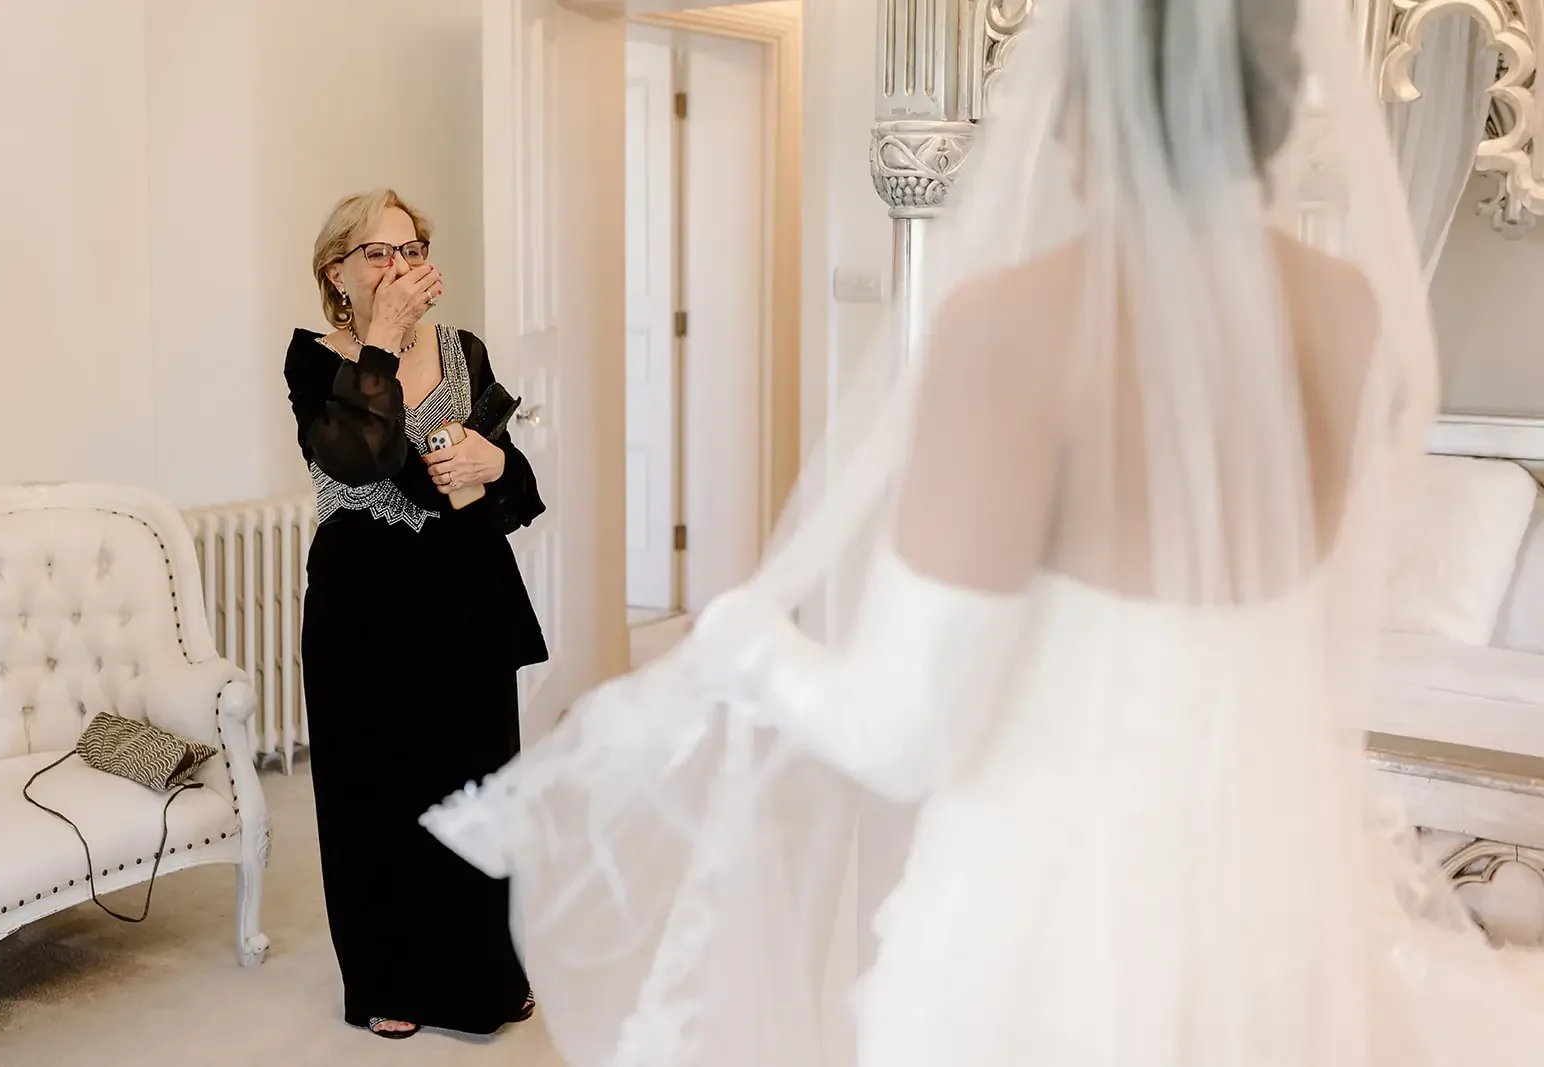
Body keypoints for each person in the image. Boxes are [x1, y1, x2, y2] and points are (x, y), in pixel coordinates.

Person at [424, 2, 1544, 1065]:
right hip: (1268, 897)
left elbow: (900, 732)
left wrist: (737, 636)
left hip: (1057, 917)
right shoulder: (1347, 309)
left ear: (1081, 89)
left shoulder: (1016, 324)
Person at [285, 189, 546, 1041]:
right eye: (377, 253)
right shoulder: (315, 361)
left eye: (412, 249)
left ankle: (485, 973)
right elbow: (361, 457)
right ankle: (385, 977)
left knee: (478, 781)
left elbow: (510, 482)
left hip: (464, 589)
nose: (399, 266)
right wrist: (384, 340)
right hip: (363, 601)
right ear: (338, 273)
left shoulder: (464, 350)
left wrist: (493, 459)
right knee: (374, 792)